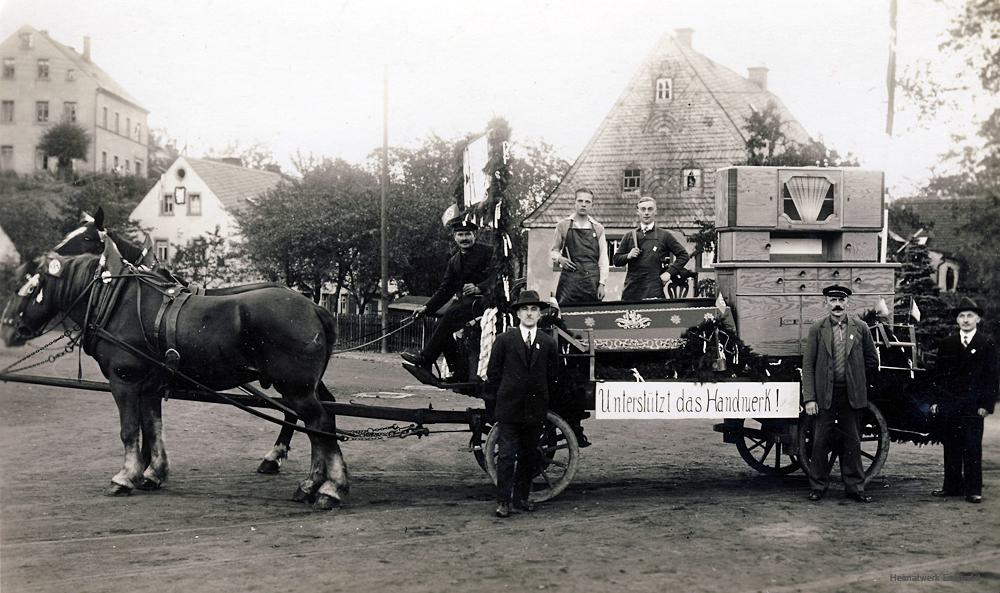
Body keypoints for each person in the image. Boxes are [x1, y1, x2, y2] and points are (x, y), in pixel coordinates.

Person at [485, 290, 559, 518]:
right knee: (507, 456)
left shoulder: (547, 343)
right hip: (509, 408)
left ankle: (521, 499)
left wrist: (543, 401)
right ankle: (504, 501)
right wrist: (500, 400)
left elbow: (552, 376)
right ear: (518, 313)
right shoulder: (504, 341)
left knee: (529, 456)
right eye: (525, 309)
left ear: (540, 314)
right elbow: (493, 374)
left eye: (534, 309)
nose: (529, 313)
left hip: (535, 410)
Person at [802, 284, 879, 503]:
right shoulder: (817, 329)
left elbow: (872, 360)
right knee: (819, 442)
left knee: (853, 441)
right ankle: (818, 486)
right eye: (833, 300)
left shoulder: (861, 327)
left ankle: (855, 488)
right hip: (825, 394)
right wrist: (810, 398)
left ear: (848, 303)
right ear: (825, 303)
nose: (837, 305)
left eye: (841, 300)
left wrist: (857, 378)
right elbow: (808, 365)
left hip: (851, 395)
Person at [401, 219, 495, 380]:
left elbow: (499, 275)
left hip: (486, 303)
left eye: (468, 234)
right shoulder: (454, 261)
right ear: (454, 237)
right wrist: (426, 308)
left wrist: (480, 287)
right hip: (467, 307)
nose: (464, 238)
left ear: (475, 235)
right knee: (441, 324)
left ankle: (426, 358)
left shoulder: (488, 252)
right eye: (460, 234)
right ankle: (458, 370)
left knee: (450, 315)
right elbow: (445, 289)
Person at [929, 297, 997, 504]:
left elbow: (992, 377)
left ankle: (973, 490)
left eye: (970, 316)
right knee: (951, 446)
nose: (965, 320)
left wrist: (987, 405)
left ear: (978, 319)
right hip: (951, 405)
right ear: (957, 320)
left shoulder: (986, 343)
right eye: (961, 316)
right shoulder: (947, 344)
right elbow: (939, 376)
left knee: (972, 446)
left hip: (974, 406)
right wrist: (936, 401)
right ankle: (951, 487)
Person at [612, 195, 690, 301]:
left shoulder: (664, 235)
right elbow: (616, 260)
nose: (646, 212)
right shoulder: (629, 236)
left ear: (655, 211)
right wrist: (628, 256)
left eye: (650, 209)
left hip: (654, 288)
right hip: (632, 290)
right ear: (638, 211)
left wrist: (669, 273)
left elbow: (683, 255)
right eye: (643, 209)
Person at [550, 188, 609, 305]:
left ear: (592, 205)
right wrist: (560, 259)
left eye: (587, 202)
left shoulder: (598, 228)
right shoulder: (563, 225)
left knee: (591, 318)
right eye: (580, 201)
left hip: (592, 281)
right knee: (565, 315)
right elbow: (554, 251)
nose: (583, 205)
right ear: (574, 203)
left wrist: (602, 284)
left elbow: (603, 259)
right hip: (569, 282)